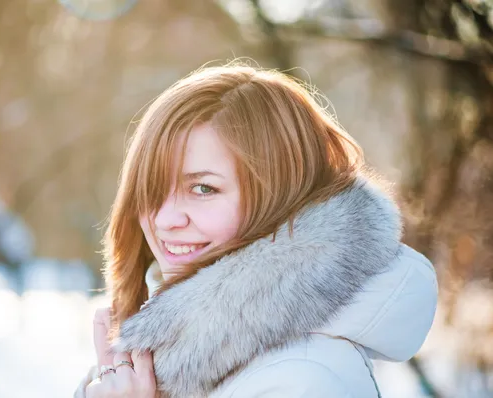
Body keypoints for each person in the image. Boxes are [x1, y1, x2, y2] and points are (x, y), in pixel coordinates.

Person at [74, 64, 438, 398]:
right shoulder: (173, 356)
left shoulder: (302, 381)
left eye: (203, 189)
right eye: (152, 187)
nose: (165, 218)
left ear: (278, 197)